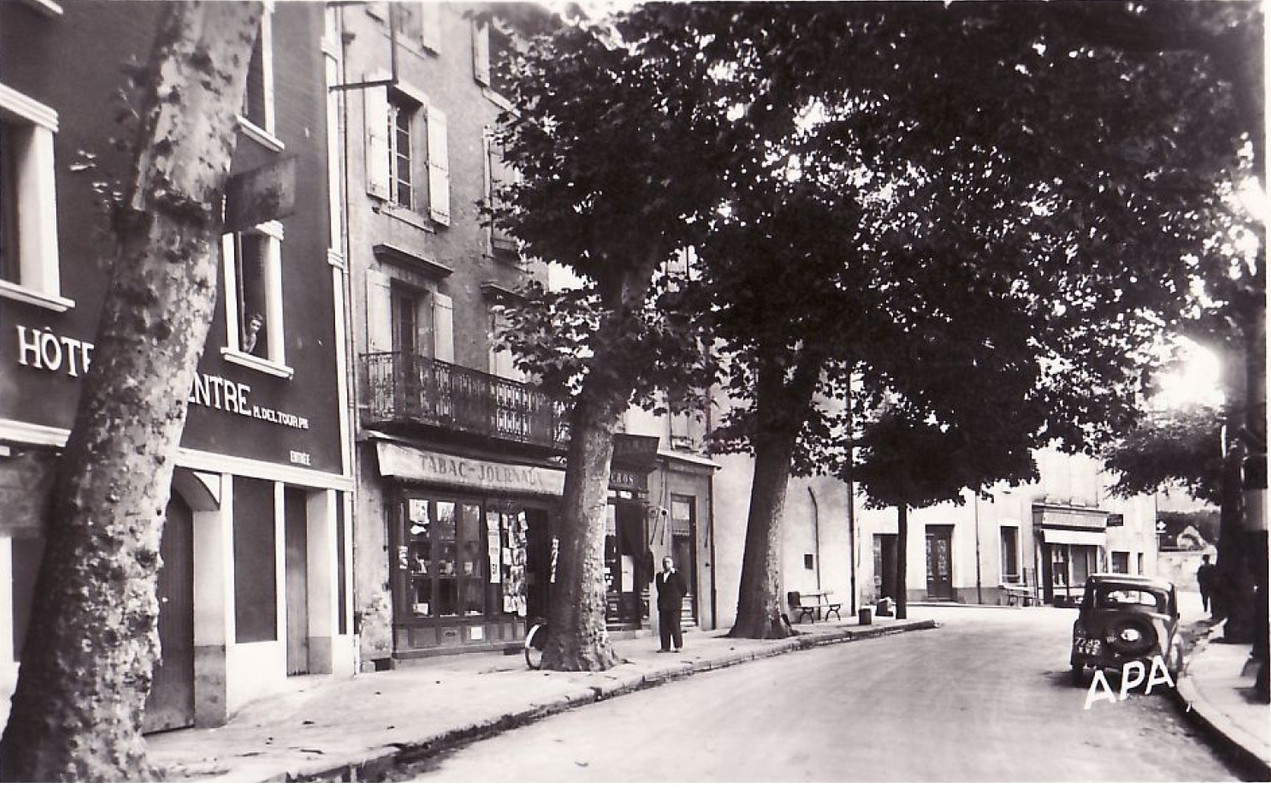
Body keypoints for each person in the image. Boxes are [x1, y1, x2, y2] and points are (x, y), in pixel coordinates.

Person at [655, 555, 688, 653]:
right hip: (663, 605)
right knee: (664, 626)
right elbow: (659, 589)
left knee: (675, 625)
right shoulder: (659, 576)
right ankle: (665, 646)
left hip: (674, 605)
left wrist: (676, 598)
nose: (666, 564)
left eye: (668, 562)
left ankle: (678, 646)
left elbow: (684, 589)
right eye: (664, 562)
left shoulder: (677, 575)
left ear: (672, 563)